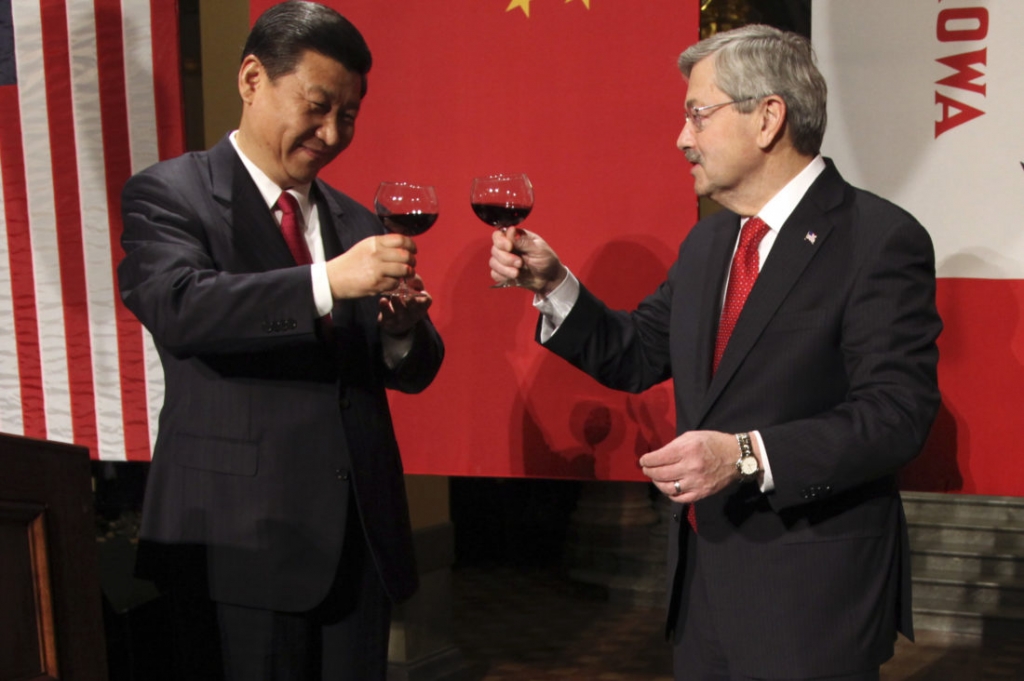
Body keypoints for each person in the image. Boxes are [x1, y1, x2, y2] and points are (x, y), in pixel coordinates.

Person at [489, 24, 941, 681]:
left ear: (768, 118)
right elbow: (637, 352)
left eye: (698, 114)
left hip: (813, 601)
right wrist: (554, 284)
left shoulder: (878, 239)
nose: (682, 137)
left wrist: (746, 453)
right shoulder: (707, 244)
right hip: (702, 595)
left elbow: (896, 415)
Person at [117, 2, 444, 679]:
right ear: (251, 79)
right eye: (317, 106)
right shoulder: (169, 194)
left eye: (348, 116)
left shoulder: (353, 217)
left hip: (359, 542)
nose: (331, 133)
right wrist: (325, 282)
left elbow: (416, 369)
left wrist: (401, 333)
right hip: (238, 543)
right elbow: (182, 305)